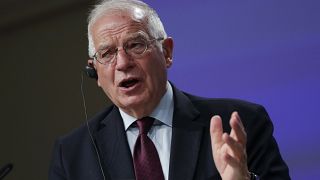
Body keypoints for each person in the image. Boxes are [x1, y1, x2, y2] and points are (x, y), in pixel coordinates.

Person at [49, 0, 290, 179]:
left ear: (167, 52)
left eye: (135, 44)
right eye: (107, 53)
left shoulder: (241, 124)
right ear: (95, 72)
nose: (122, 63)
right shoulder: (72, 154)